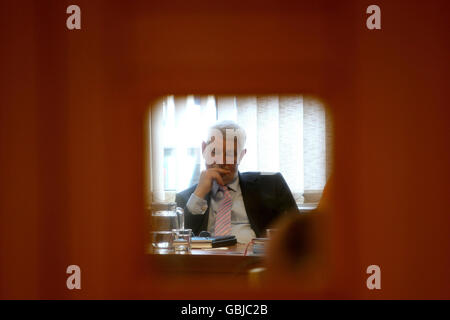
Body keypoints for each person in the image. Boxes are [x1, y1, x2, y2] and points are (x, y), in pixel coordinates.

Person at [175, 120, 298, 244]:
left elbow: (299, 233)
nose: (221, 161)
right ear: (203, 149)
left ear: (241, 156)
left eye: (229, 154)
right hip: (207, 261)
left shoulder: (272, 186)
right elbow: (180, 245)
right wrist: (199, 194)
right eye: (214, 152)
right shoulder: (186, 199)